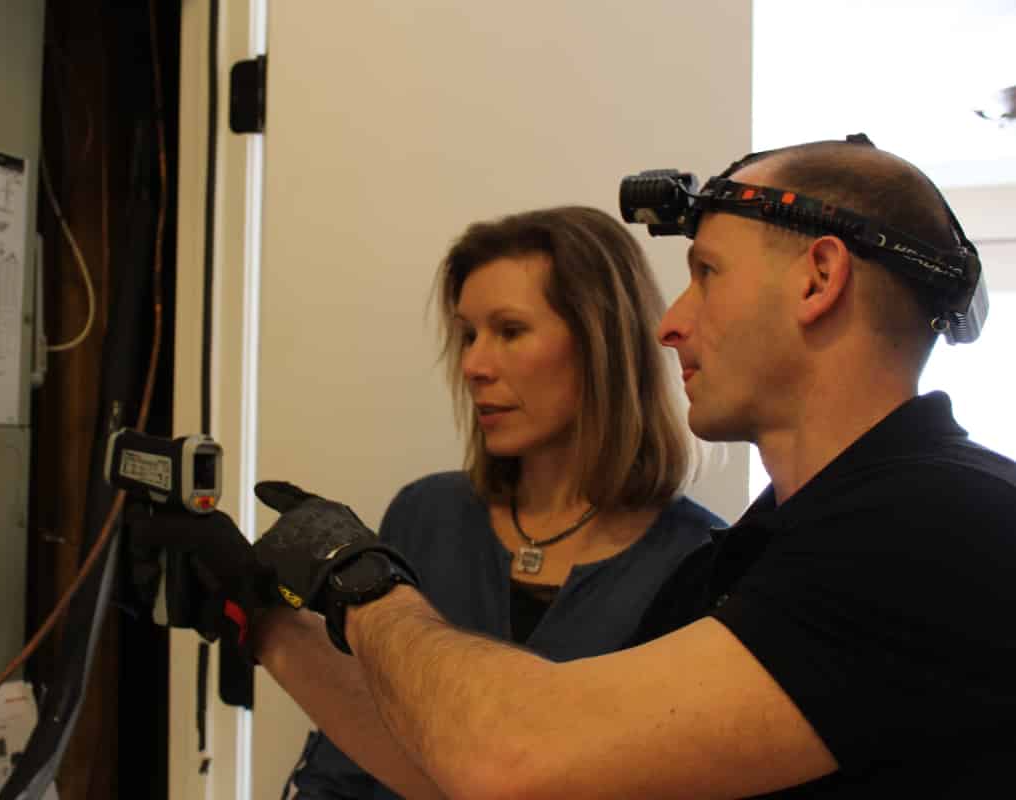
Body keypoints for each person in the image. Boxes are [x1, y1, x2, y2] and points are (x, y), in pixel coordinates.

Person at [179, 136, 1016, 798]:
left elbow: (513, 754)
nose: (672, 325)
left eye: (706, 274)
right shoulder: (743, 567)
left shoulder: (942, 520)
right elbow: (478, 775)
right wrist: (266, 623)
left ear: (819, 279)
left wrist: (357, 584)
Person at [283, 207, 724, 798]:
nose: (473, 365)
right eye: (468, 335)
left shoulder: (699, 562)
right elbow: (341, 770)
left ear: (601, 343)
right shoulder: (425, 515)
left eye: (509, 332)